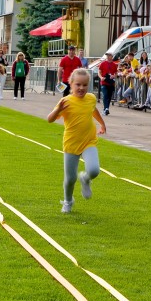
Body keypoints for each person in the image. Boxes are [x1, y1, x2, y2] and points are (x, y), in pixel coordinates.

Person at [46, 68, 106, 214]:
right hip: (71, 144)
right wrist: (58, 109)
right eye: (78, 84)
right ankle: (68, 201)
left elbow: (93, 110)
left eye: (85, 85)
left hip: (89, 141)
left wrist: (102, 124)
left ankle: (85, 178)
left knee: (94, 170)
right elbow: (50, 119)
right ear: (71, 84)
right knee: (70, 179)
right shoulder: (65, 101)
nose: (81, 88)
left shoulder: (91, 98)